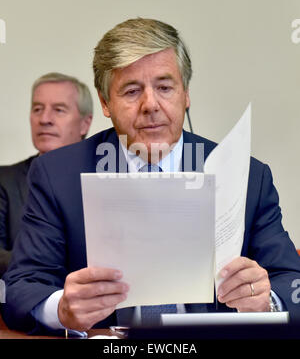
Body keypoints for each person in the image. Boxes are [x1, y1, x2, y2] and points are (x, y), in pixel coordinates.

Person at [2, 18, 300, 335]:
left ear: (186, 94)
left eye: (164, 87)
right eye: (132, 91)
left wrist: (266, 302)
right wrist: (63, 309)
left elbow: (291, 284)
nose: (150, 105)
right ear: (105, 103)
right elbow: (21, 290)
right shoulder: (57, 175)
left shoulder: (249, 176)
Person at [0, 72, 93, 276]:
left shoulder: (103, 180)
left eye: (59, 110)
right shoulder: (4, 181)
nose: (44, 119)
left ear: (85, 123)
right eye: (37, 109)